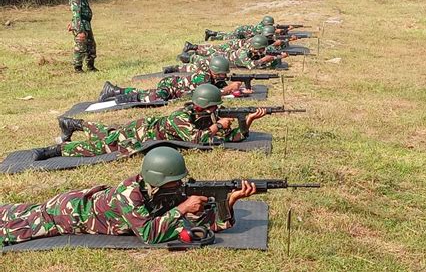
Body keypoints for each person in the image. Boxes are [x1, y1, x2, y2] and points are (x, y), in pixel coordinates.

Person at [0, 147, 257, 246]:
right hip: (66, 213)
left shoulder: (161, 193)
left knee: (17, 211)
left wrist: (229, 202)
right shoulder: (129, 195)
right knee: (16, 227)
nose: (180, 186)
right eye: (175, 182)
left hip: (80, 204)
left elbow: (205, 224)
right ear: (159, 181)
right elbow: (148, 235)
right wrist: (181, 209)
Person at [32, 84, 267, 159]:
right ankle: (56, 150)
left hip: (144, 131)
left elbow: (231, 137)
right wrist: (217, 126)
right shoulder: (181, 118)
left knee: (107, 132)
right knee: (101, 146)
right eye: (215, 107)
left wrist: (246, 122)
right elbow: (198, 140)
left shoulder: (205, 115)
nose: (218, 111)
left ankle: (74, 124)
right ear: (204, 106)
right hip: (140, 134)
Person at [98, 56, 251, 103]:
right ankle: (120, 95)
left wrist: (239, 90)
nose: (224, 77)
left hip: (175, 86)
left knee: (150, 93)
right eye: (223, 74)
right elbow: (200, 96)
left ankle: (115, 89)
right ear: (215, 72)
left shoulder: (211, 76)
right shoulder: (203, 78)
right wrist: (227, 90)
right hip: (170, 86)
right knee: (156, 97)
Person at [186, 35, 289, 70]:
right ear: (256, 47)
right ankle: (187, 56)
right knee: (201, 59)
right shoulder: (243, 53)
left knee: (210, 49)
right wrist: (263, 59)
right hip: (221, 58)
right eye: (261, 49)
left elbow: (263, 58)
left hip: (226, 56)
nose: (263, 51)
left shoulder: (252, 49)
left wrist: (279, 57)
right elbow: (251, 66)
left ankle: (191, 50)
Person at [68, 0, 97, 73]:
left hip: (86, 24)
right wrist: (79, 30)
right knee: (80, 46)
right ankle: (78, 68)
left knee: (91, 46)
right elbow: (76, 13)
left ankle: (91, 66)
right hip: (80, 24)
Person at [204, 15, 278, 41]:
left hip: (243, 30)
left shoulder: (262, 25)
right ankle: (214, 38)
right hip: (242, 32)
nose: (270, 26)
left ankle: (212, 33)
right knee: (229, 37)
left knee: (229, 34)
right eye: (270, 24)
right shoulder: (261, 28)